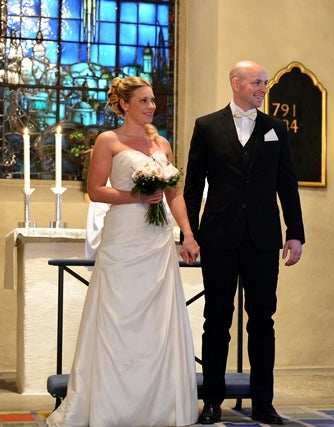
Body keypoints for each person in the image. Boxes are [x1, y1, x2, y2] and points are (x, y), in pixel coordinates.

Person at [46, 76, 200, 426]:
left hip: (158, 239)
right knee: (119, 315)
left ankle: (158, 406)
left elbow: (174, 194)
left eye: (153, 100)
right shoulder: (109, 140)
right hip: (124, 237)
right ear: (124, 104)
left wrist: (188, 235)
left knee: (157, 321)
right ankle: (112, 406)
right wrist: (137, 196)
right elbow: (96, 190)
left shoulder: (161, 143)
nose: (151, 106)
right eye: (144, 101)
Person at [183, 60, 305, 425]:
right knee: (216, 320)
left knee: (263, 321)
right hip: (218, 237)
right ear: (236, 83)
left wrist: (295, 233)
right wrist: (189, 234)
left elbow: (287, 183)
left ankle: (264, 403)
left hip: (263, 239)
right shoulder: (207, 126)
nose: (263, 88)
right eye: (256, 82)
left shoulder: (275, 128)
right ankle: (212, 402)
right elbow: (193, 186)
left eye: (265, 83)